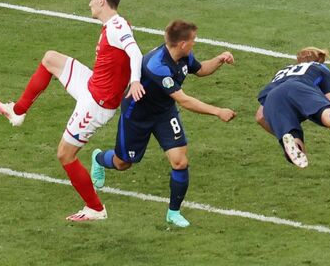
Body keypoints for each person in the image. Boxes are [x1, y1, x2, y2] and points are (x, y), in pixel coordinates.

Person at [0, 0, 145, 221]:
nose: (90, 3)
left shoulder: (116, 26)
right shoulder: (112, 25)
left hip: (96, 103)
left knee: (65, 154)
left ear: (102, 1)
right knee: (50, 59)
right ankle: (17, 111)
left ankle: (95, 208)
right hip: (92, 85)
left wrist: (135, 81)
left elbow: (135, 52)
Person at [90, 20, 236, 228]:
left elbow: (201, 69)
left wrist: (220, 59)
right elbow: (184, 100)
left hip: (164, 113)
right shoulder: (157, 65)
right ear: (182, 43)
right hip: (137, 115)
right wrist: (218, 111)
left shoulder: (184, 56)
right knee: (123, 163)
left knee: (180, 162)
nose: (195, 43)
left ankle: (173, 212)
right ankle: (98, 158)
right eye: (193, 40)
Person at [255, 47, 330, 168]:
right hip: (299, 88)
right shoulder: (319, 67)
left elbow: (260, 116)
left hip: (273, 96)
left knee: (295, 144)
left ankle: (291, 140)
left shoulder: (282, 72)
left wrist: (279, 130)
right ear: (319, 58)